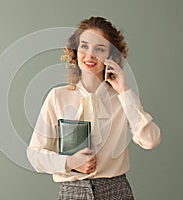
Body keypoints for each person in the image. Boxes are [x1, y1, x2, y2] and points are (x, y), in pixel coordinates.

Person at [27, 16, 161, 200]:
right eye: (84, 46)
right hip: (72, 191)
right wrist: (69, 162)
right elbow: (34, 155)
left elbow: (150, 140)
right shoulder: (57, 96)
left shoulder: (122, 98)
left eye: (100, 48)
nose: (90, 55)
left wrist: (124, 90)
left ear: (111, 55)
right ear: (75, 49)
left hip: (116, 191)